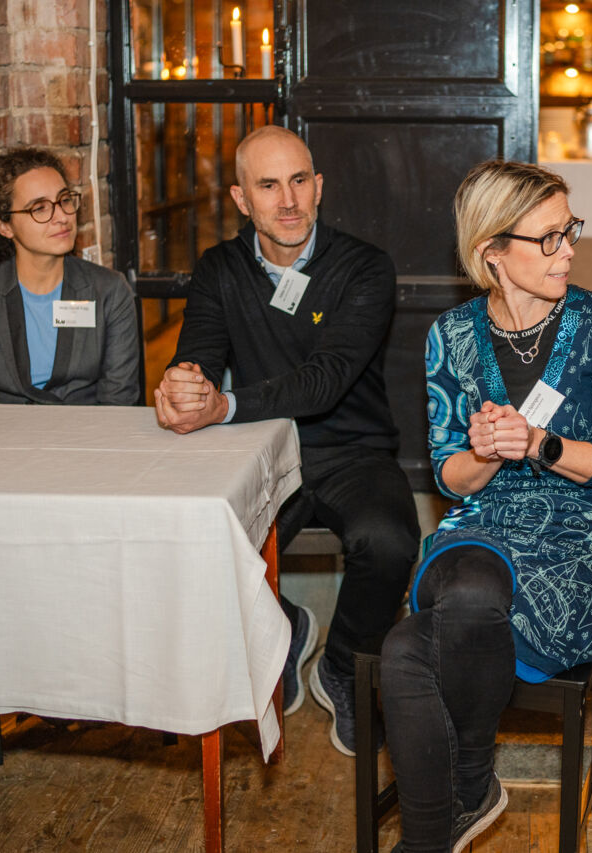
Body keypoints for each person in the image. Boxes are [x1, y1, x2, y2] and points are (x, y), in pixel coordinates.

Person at [379, 160, 592, 852]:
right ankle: (459, 797)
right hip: (481, 525)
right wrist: (490, 452)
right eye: (548, 238)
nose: (569, 251)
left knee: (407, 649)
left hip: (572, 545)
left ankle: (450, 808)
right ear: (492, 251)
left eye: (570, 231)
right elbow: (449, 477)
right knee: (466, 585)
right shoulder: (453, 336)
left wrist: (538, 443)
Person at [153, 126, 420, 755]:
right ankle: (288, 628)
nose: (289, 200)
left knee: (388, 542)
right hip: (258, 447)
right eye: (268, 185)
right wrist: (182, 386)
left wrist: (223, 405)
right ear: (242, 199)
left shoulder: (364, 267)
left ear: (319, 186)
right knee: (205, 543)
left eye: (299, 180)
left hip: (351, 447)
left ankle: (347, 667)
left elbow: (325, 381)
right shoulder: (221, 268)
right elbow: (197, 353)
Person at [0, 148, 140, 405]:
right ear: (4, 225)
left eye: (65, 200)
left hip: (84, 439)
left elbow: (119, 403)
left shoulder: (109, 291)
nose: (62, 217)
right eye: (39, 208)